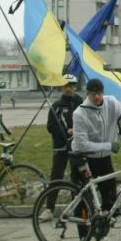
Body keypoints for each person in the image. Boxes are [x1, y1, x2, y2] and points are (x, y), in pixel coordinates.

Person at [72, 78, 121, 241]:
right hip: (83, 158)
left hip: (103, 158)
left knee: (109, 198)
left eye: (100, 93)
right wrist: (109, 145)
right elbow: (82, 144)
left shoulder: (111, 103)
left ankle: (101, 237)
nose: (97, 97)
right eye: (93, 95)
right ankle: (83, 238)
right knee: (84, 200)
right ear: (88, 94)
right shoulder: (79, 113)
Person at [38, 73, 84, 222]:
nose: (69, 89)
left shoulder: (81, 103)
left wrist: (76, 131)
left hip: (77, 147)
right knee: (56, 177)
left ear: (75, 86)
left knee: (77, 179)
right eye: (66, 86)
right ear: (61, 87)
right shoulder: (56, 106)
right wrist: (66, 132)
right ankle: (49, 209)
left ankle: (75, 208)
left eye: (71, 86)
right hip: (60, 147)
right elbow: (50, 127)